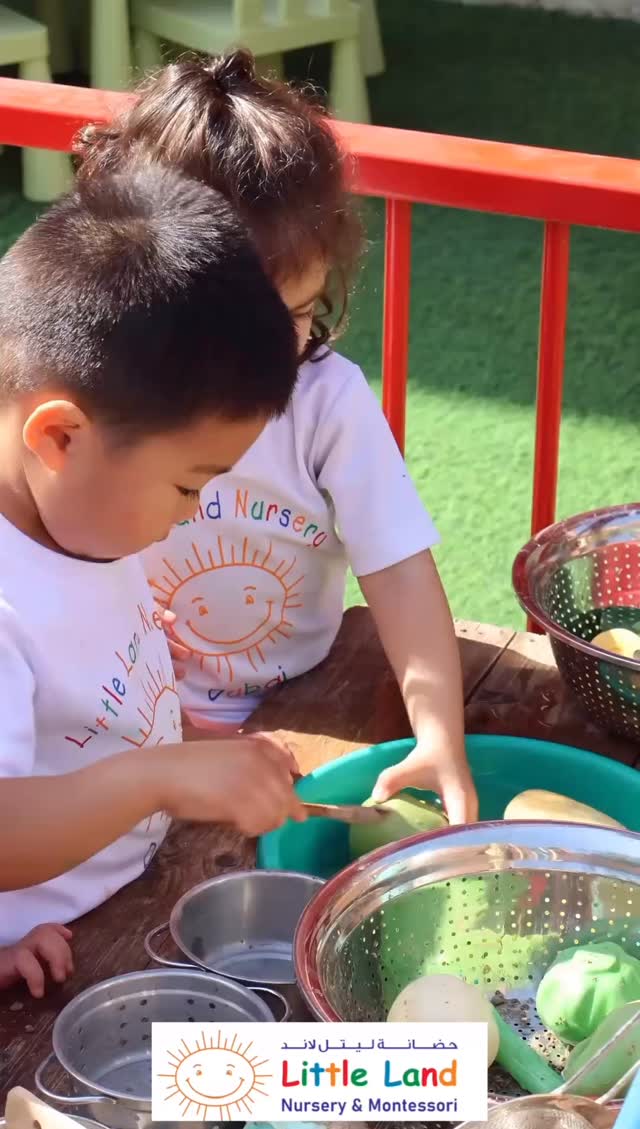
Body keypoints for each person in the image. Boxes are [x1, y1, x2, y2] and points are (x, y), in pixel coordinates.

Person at [77, 50, 478, 827]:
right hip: (133, 730)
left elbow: (398, 569)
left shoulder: (328, 402)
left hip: (301, 703)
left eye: (292, 316)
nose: (262, 360)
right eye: (234, 328)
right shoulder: (106, 398)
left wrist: (438, 731)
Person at [0, 162, 305, 992]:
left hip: (123, 891)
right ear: (58, 437)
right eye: (186, 486)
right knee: (309, 1088)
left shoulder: (70, 506)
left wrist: (185, 742)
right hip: (58, 953)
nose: (193, 514)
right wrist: (161, 775)